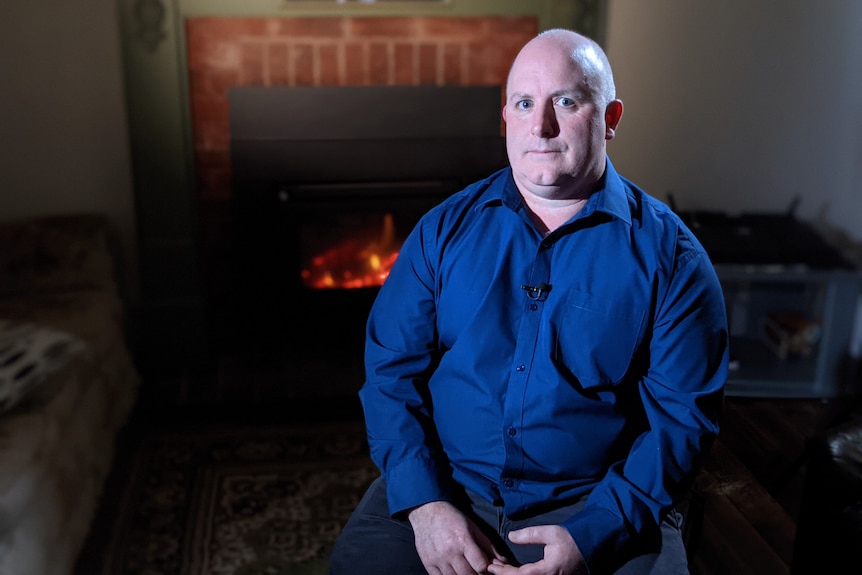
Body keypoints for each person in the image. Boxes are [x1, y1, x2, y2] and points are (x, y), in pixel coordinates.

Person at [329, 28, 728, 575]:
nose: (540, 126)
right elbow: (389, 376)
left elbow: (683, 420)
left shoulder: (674, 259)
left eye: (566, 102)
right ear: (506, 117)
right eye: (524, 103)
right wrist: (426, 505)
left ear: (610, 118)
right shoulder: (441, 232)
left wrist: (592, 536)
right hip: (450, 486)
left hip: (600, 500)